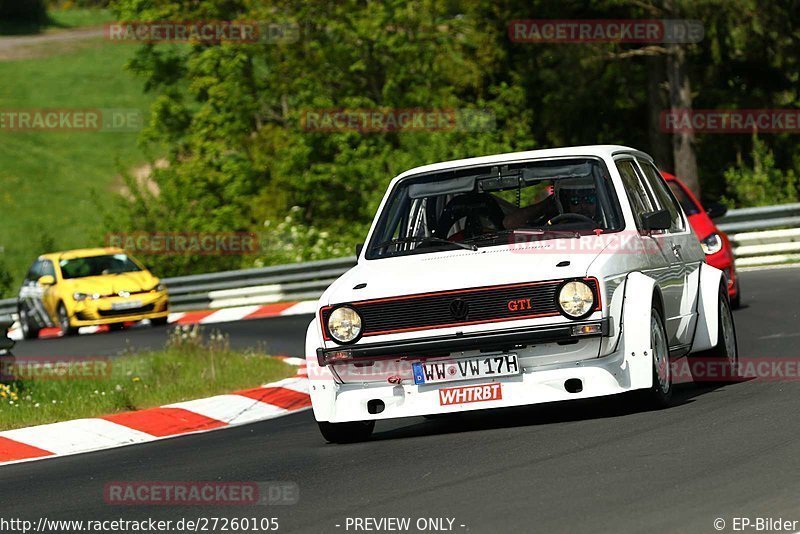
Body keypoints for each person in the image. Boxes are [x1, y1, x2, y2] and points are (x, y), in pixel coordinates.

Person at [503, 177, 598, 229]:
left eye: (589, 199)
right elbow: (509, 223)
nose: (583, 206)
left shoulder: (609, 220)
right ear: (565, 203)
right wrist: (546, 205)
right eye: (575, 201)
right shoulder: (553, 221)